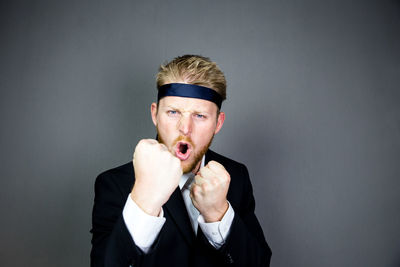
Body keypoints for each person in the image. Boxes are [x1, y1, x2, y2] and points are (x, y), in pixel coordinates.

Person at [90, 55, 272, 266]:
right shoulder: (114, 184)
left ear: (218, 123)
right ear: (155, 114)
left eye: (200, 116)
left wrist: (218, 214)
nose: (185, 128)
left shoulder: (235, 176)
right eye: (173, 112)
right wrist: (144, 202)